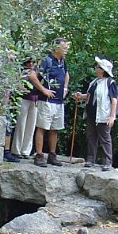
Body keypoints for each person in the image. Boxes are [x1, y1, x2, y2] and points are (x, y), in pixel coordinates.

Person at [72, 56, 118, 170]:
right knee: (91, 137)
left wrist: (112, 116)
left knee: (105, 139)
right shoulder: (94, 82)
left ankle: (107, 162)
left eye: (97, 66)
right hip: (92, 114)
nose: (95, 68)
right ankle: (90, 159)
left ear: (102, 70)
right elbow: (89, 96)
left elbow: (114, 100)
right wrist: (80, 96)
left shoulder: (110, 83)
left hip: (103, 115)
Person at [32, 38, 70, 167]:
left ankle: (52, 155)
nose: (66, 50)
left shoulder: (62, 61)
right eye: (64, 48)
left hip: (58, 101)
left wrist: (65, 88)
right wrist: (44, 90)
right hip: (46, 101)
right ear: (56, 48)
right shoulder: (46, 60)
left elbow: (66, 74)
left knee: (55, 128)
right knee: (42, 127)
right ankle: (39, 155)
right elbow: (32, 75)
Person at [11, 57, 39, 158]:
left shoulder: (37, 72)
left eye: (32, 62)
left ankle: (26, 151)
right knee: (21, 124)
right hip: (23, 99)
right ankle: (16, 150)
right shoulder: (21, 72)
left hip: (35, 100)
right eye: (28, 62)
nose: (30, 64)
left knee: (31, 126)